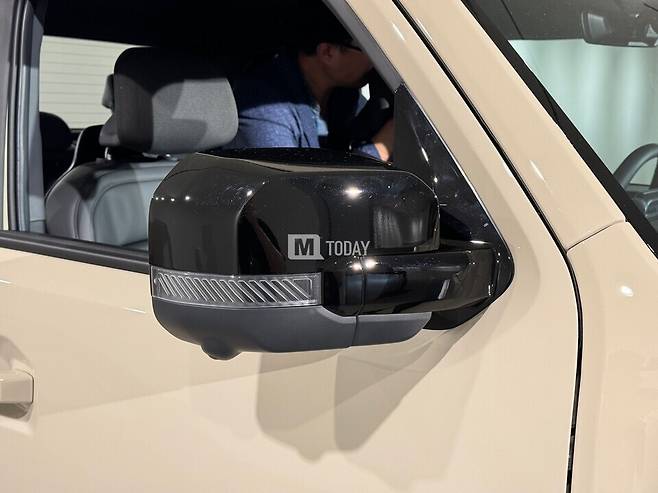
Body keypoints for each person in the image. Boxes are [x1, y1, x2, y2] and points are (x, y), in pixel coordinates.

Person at [226, 6, 394, 161]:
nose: (375, 60)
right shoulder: (265, 106)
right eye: (369, 49)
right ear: (327, 53)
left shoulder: (342, 94)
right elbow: (292, 181)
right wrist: (384, 144)